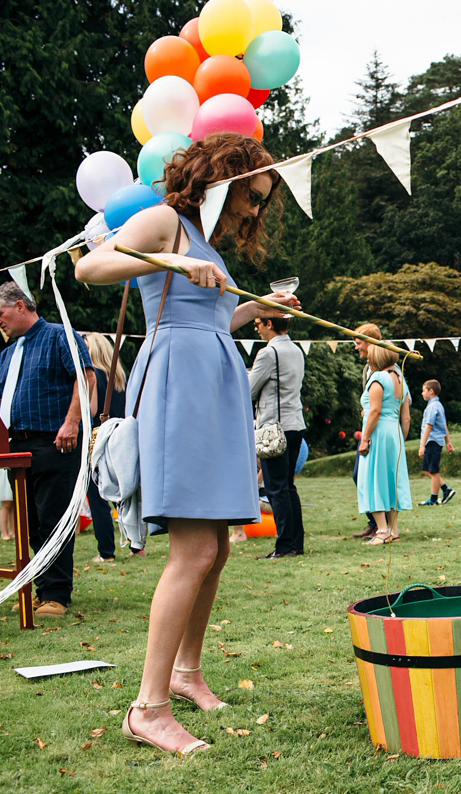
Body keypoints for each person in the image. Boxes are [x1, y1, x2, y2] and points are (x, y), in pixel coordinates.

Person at [75, 133, 298, 754]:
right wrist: (168, 261)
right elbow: (88, 267)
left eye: (259, 201)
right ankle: (147, 708)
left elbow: (210, 317)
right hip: (179, 381)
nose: (253, 210)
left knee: (218, 549)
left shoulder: (206, 242)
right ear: (220, 178)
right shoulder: (163, 221)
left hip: (215, 377)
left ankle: (185, 673)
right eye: (250, 196)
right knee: (194, 552)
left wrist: (257, 308)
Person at [0, 281, 95, 618]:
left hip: (55, 441)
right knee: (30, 524)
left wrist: (72, 421)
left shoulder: (59, 335)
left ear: (20, 305)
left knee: (53, 519)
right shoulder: (9, 354)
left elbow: (85, 376)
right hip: (16, 448)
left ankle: (56, 596)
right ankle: (45, 588)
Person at [249, 315, 306, 559]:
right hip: (295, 425)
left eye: (258, 321)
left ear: (269, 324)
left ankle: (284, 546)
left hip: (273, 429)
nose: (255, 326)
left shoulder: (268, 353)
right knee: (289, 487)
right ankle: (296, 542)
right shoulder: (296, 350)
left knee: (276, 488)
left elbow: (249, 389)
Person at [83, 332, 139, 562]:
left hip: (99, 439)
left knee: (97, 497)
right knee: (125, 494)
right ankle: (137, 545)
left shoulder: (94, 375)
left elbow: (92, 410)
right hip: (121, 439)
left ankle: (106, 552)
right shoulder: (119, 377)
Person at [357, 345, 412, 544]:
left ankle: (382, 530)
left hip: (378, 432)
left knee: (373, 479)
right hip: (394, 433)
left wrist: (365, 439)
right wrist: (400, 439)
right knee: (391, 480)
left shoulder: (378, 378)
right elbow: (406, 419)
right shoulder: (401, 380)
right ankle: (394, 530)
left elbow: (375, 411)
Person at [417, 379, 455, 506]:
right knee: (426, 469)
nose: (422, 393)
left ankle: (433, 500)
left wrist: (422, 445)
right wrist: (448, 442)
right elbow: (444, 425)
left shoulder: (433, 407)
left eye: (424, 391)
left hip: (432, 442)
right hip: (433, 442)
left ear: (431, 391)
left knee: (433, 471)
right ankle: (446, 490)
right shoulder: (437, 405)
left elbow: (428, 426)